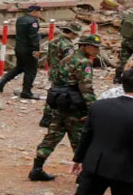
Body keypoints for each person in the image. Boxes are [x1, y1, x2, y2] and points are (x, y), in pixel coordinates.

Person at [72, 67, 133, 194]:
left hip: (95, 166)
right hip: (126, 171)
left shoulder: (99, 105)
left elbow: (87, 135)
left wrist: (78, 159)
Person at [29, 34, 100, 182]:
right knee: (80, 140)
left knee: (52, 136)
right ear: (84, 46)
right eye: (94, 47)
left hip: (61, 103)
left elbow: (56, 79)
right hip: (76, 107)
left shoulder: (67, 58)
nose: (97, 50)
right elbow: (86, 89)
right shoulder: (84, 62)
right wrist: (93, 110)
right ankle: (83, 176)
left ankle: (37, 168)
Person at [39, 21, 81, 128]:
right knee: (61, 95)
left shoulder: (54, 40)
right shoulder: (67, 45)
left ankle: (46, 117)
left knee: (53, 93)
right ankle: (58, 118)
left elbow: (48, 57)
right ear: (72, 32)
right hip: (63, 73)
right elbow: (70, 61)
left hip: (53, 71)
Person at [0, 4, 43, 99]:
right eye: (39, 12)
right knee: (31, 70)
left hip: (19, 48)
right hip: (29, 49)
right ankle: (26, 92)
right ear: (34, 12)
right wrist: (36, 49)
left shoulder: (20, 19)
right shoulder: (33, 22)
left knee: (20, 67)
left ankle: (1, 82)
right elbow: (33, 37)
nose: (39, 14)